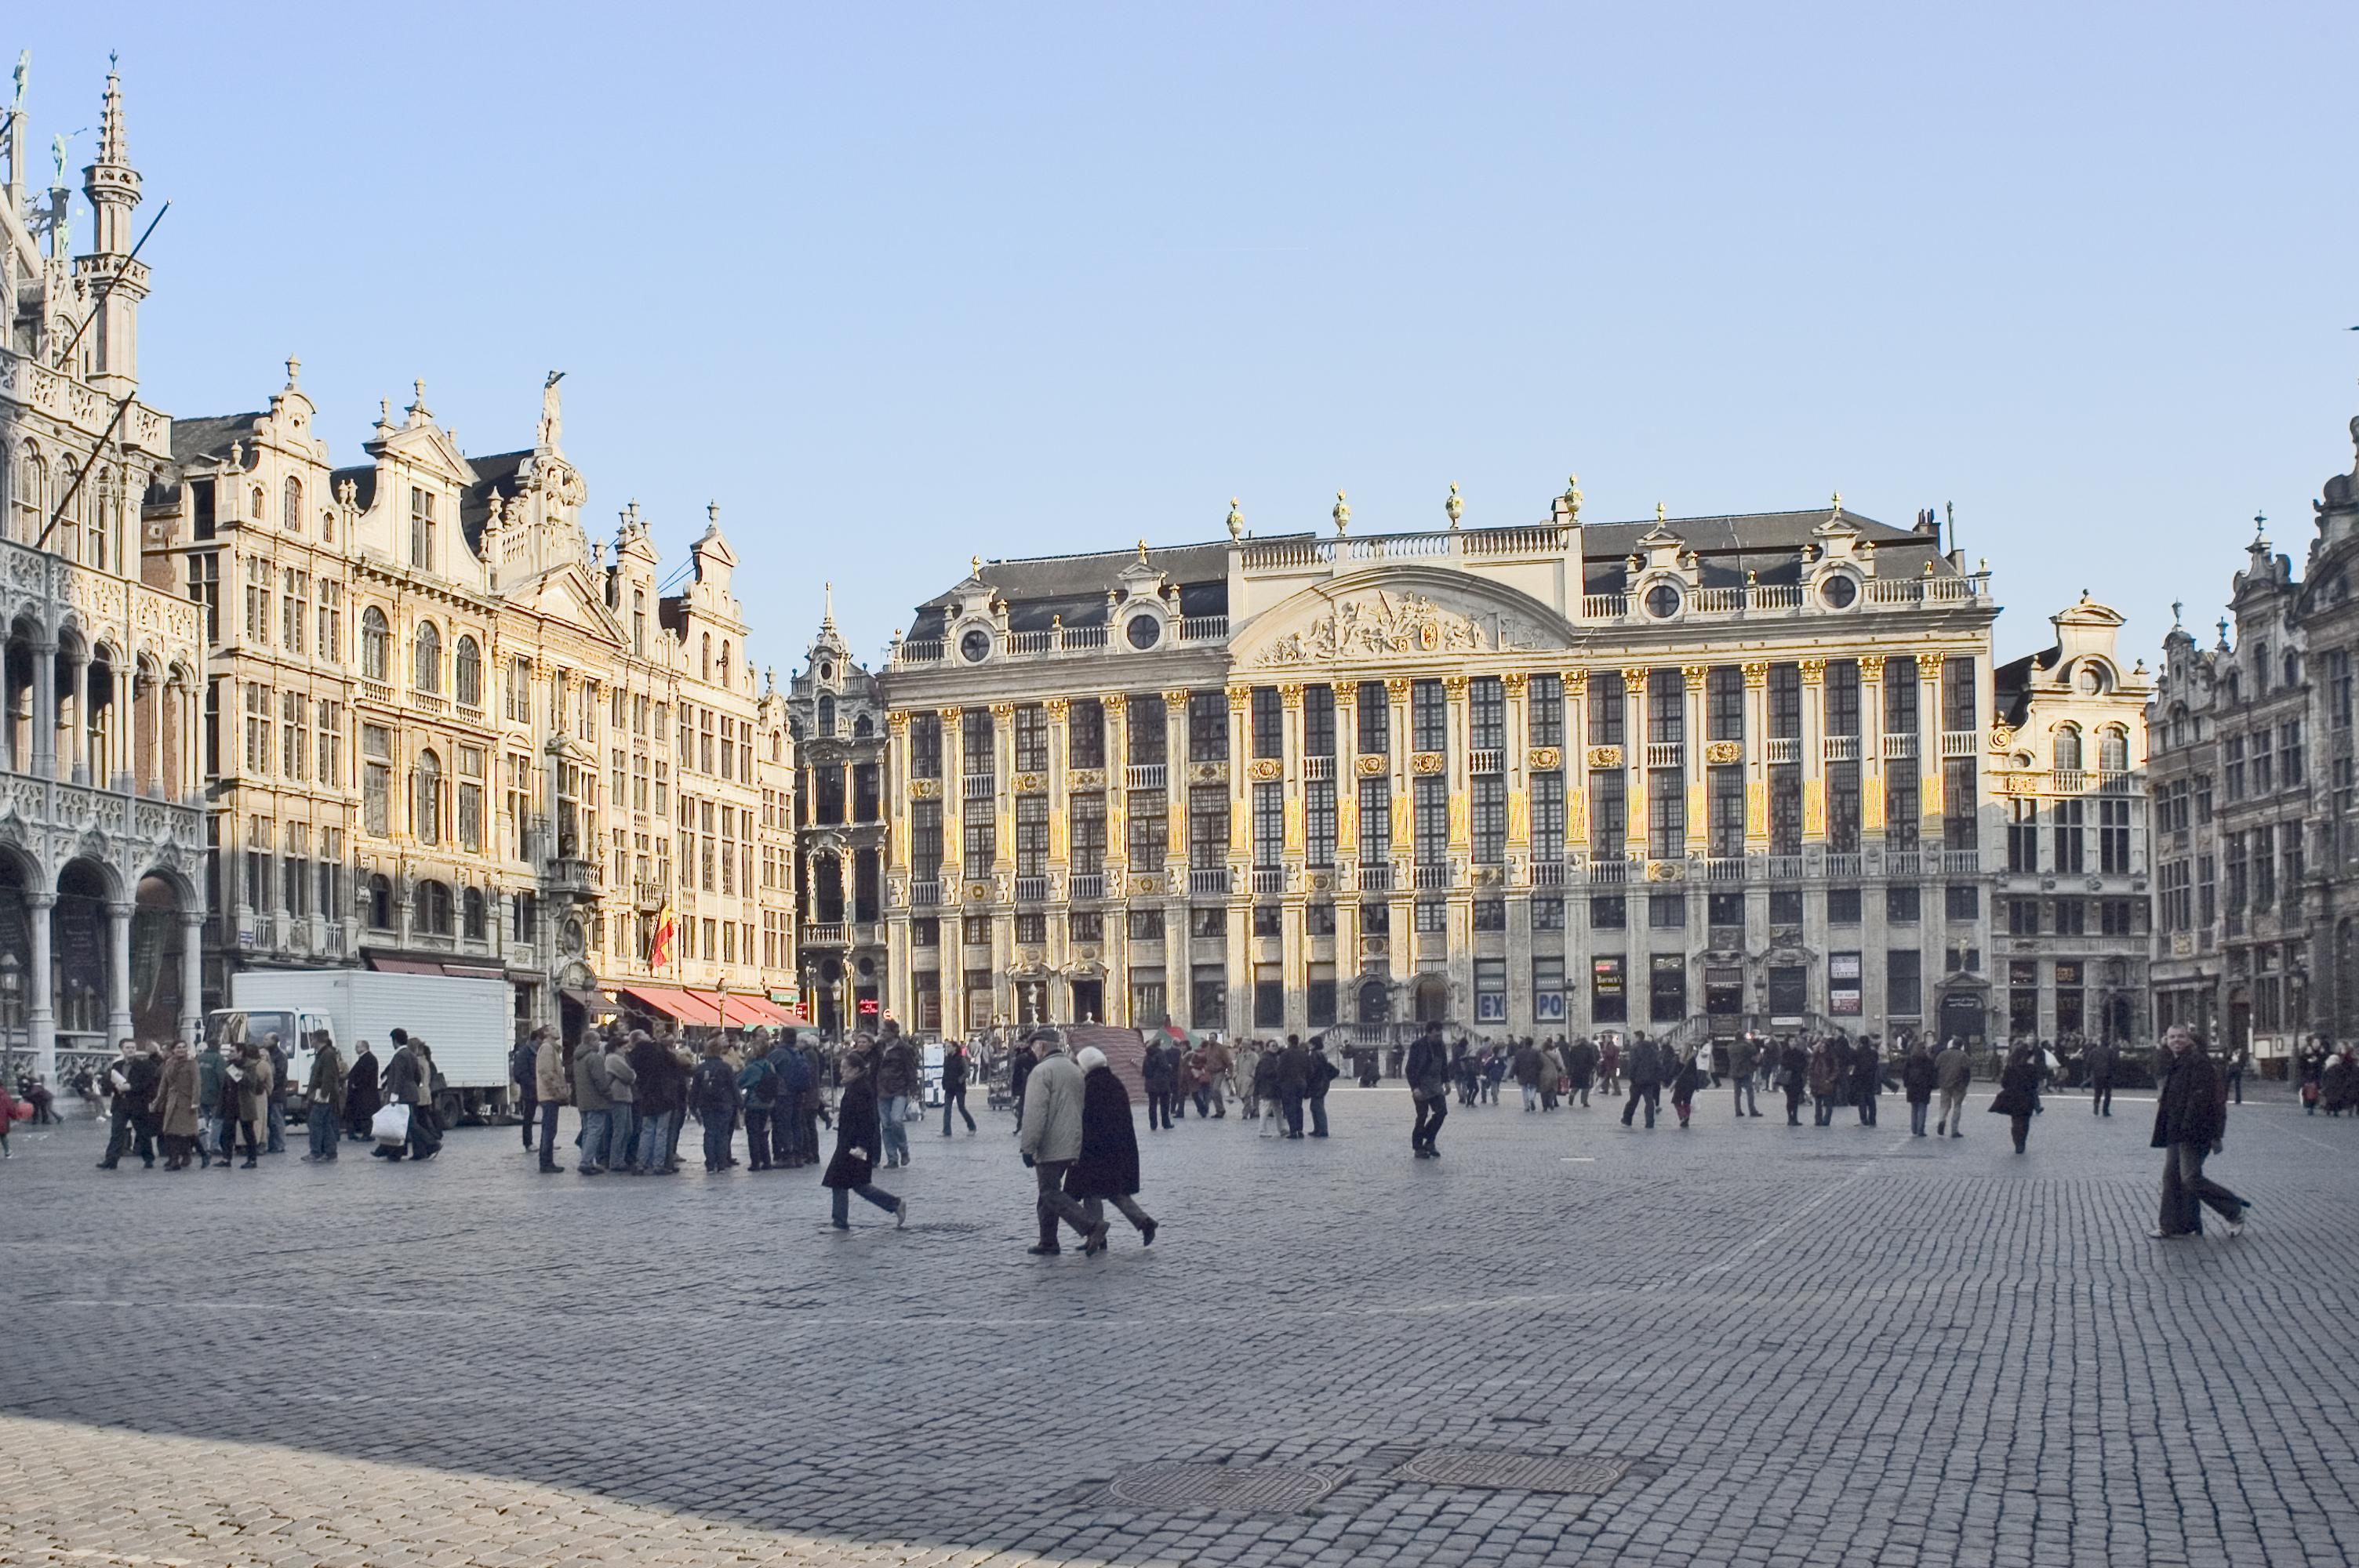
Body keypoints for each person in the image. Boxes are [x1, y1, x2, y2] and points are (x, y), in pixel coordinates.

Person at [2150, 1026, 2248, 1239]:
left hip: (2193, 1130)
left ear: (2189, 1040)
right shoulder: (2176, 1061)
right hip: (2176, 1130)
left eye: (2181, 1037)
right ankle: (2177, 1225)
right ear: (2167, 1040)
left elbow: (2200, 1100)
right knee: (2171, 1178)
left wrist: (2196, 1129)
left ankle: (2234, 1210)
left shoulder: (2197, 1062)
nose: (2177, 1041)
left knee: (2190, 1178)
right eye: (2172, 1037)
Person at [1017, 1029, 1106, 1255]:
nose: (1032, 1051)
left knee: (1050, 1192)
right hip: (1073, 1140)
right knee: (1047, 1194)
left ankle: (1091, 1225)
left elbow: (1035, 1113)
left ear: (1042, 1046)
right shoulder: (1074, 1069)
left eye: (1034, 1046)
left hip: (1051, 1144)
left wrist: (1028, 1147)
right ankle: (1048, 1241)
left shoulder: (1041, 1072)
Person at [1067, 1045, 1157, 1245]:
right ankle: (1143, 1221)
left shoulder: (1092, 1085)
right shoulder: (1114, 1082)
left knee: (1092, 1192)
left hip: (1096, 1149)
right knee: (1114, 1192)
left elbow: (1086, 1119)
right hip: (1118, 1148)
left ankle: (1097, 1235)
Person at [822, 1051, 907, 1230]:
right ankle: (894, 1204)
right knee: (856, 1184)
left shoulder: (860, 1089)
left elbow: (867, 1120)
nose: (841, 1071)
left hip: (854, 1145)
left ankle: (840, 1222)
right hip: (850, 1143)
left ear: (855, 1070)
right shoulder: (855, 1087)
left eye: (845, 1068)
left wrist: (861, 1146)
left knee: (843, 1182)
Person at [97, 1038, 158, 1171]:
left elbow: (148, 1084)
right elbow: (109, 1083)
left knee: (142, 1133)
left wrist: (131, 1087)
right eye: (127, 1048)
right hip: (120, 1104)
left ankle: (148, 1159)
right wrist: (115, 1087)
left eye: (133, 1047)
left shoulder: (144, 1066)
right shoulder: (117, 1066)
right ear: (122, 1050)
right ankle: (111, 1160)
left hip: (137, 1104)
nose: (130, 1050)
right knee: (117, 1133)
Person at [630, 1029, 683, 1175]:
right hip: (663, 1095)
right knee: (661, 1132)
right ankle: (658, 1164)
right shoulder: (657, 1051)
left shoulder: (633, 1055)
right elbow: (675, 1065)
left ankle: (641, 1163)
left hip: (646, 1095)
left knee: (647, 1131)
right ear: (642, 1037)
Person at [150, 1040, 202, 1171]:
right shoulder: (169, 1063)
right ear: (173, 1050)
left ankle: (179, 1159)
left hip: (187, 1101)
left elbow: (197, 1083)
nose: (182, 1050)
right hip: (172, 1101)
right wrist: (157, 1101)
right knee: (171, 1132)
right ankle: (178, 1159)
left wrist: (195, 1101)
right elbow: (164, 1085)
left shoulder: (192, 1063)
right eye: (179, 1047)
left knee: (186, 1133)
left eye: (184, 1047)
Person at [691, 1040, 740, 1172]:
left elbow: (695, 1089)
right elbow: (734, 1087)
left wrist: (692, 1106)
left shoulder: (701, 1068)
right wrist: (740, 1104)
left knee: (710, 1133)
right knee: (723, 1134)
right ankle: (722, 1163)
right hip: (724, 1104)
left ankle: (711, 1164)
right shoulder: (726, 1067)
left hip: (706, 1105)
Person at [572, 1030, 615, 1176]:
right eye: (597, 1040)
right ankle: (586, 1162)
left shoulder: (577, 1058)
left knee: (587, 1131)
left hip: (583, 1100)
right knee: (594, 1132)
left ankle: (588, 1160)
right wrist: (609, 1095)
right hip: (596, 1100)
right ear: (591, 1041)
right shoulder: (594, 1058)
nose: (599, 1043)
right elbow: (600, 1081)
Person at [1989, 1044, 2042, 1154]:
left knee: (2015, 1121)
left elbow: (2004, 1083)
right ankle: (2022, 1142)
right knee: (2025, 1121)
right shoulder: (2031, 1068)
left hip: (2013, 1096)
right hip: (2027, 1097)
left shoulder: (2010, 1068)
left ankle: (2017, 1142)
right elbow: (2035, 1084)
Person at [1406, 1023, 1449, 1159]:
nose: (1439, 1037)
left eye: (1440, 1035)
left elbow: (1444, 1065)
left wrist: (1447, 1082)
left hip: (1436, 1083)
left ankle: (1429, 1139)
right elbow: (1410, 1069)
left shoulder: (1441, 1046)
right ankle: (1418, 1147)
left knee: (1442, 1112)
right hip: (1421, 1083)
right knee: (1422, 1116)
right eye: (1436, 1035)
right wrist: (1415, 1088)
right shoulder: (1418, 1046)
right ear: (1428, 1033)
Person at [304, 1031, 347, 1161]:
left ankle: (316, 1151)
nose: (311, 1042)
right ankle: (330, 1152)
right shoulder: (324, 1054)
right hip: (324, 1094)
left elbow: (328, 1076)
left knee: (315, 1122)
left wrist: (323, 1094)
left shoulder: (327, 1054)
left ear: (317, 1040)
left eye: (312, 1039)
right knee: (326, 1124)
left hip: (323, 1095)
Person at [598, 1032, 638, 1172]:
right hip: (618, 1097)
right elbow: (629, 1075)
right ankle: (616, 1160)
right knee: (620, 1130)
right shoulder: (614, 1059)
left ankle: (618, 1159)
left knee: (627, 1129)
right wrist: (632, 1074)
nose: (625, 1050)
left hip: (624, 1097)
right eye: (623, 1047)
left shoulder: (615, 1058)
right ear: (616, 1047)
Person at [533, 1026, 569, 1174]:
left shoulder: (552, 1049)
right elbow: (546, 1072)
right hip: (549, 1096)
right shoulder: (547, 1048)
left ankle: (548, 1161)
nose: (557, 1030)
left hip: (550, 1095)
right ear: (546, 1033)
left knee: (550, 1129)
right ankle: (546, 1162)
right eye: (553, 1029)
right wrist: (557, 1091)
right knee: (549, 1130)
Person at [230, 1041, 271, 1169]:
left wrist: (234, 1071)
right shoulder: (233, 1065)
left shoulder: (250, 1066)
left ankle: (251, 1157)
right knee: (233, 1129)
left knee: (248, 1129)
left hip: (248, 1099)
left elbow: (248, 1081)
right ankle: (230, 1156)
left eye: (232, 1051)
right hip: (238, 1100)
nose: (229, 1054)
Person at [1622, 1035, 1662, 1131]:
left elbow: (1632, 1066)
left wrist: (1632, 1078)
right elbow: (1658, 1066)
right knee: (1649, 1102)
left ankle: (1627, 1119)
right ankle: (1650, 1122)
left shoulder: (1636, 1052)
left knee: (1633, 1101)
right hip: (1649, 1081)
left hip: (1637, 1081)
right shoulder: (1653, 1053)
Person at [1934, 1037, 1972, 1138]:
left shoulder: (1942, 1054)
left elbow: (1936, 1067)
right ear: (1961, 1045)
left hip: (1944, 1083)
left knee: (1944, 1105)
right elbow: (1966, 1071)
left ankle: (1941, 1120)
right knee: (1957, 1106)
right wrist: (1965, 1084)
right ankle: (1954, 1130)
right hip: (1958, 1085)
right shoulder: (1964, 1056)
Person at [344, 1039, 381, 1142]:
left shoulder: (369, 1059)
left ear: (364, 1047)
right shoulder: (364, 1059)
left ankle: (368, 1134)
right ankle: (365, 1133)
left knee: (366, 1113)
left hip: (366, 1092)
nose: (356, 1049)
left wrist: (356, 1084)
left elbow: (366, 1075)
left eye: (358, 1047)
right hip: (362, 1092)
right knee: (362, 1113)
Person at [510, 1033, 540, 1152]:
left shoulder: (535, 1052)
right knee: (528, 1116)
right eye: (539, 1041)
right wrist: (533, 1084)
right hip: (529, 1090)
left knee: (534, 1116)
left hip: (536, 1088)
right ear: (533, 1040)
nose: (540, 1043)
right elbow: (520, 1074)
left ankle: (544, 1142)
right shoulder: (524, 1053)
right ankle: (528, 1142)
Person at [1277, 1036, 1310, 1138]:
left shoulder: (1285, 1054)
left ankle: (1293, 1131)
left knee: (1290, 1108)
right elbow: (1310, 1069)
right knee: (1299, 1106)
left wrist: (1280, 1082)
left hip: (1288, 1083)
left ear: (1290, 1042)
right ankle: (1300, 1130)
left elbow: (1280, 1070)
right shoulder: (1304, 1054)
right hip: (1301, 1083)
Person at [1141, 1035, 1177, 1131]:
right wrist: (1169, 1067)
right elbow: (1164, 1066)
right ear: (1159, 1044)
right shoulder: (1160, 1053)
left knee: (1152, 1105)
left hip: (1150, 1084)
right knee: (1164, 1104)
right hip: (1162, 1083)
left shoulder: (1147, 1055)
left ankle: (1153, 1124)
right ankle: (1166, 1123)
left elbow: (1144, 1070)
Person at [941, 1038, 977, 1134]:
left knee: (961, 1108)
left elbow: (967, 1072)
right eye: (946, 1047)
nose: (947, 1048)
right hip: (949, 1087)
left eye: (949, 1047)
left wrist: (960, 1080)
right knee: (947, 1109)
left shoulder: (961, 1059)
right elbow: (945, 1072)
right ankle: (947, 1130)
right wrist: (943, 1082)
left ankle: (972, 1126)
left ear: (955, 1048)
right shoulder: (947, 1059)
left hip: (959, 1087)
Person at [1902, 1040, 1937, 1137]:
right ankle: (1920, 1129)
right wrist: (1932, 1085)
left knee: (1914, 1108)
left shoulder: (1910, 1060)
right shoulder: (1928, 1061)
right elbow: (1932, 1075)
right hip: (1924, 1087)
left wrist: (1907, 1083)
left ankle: (1914, 1128)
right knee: (1922, 1108)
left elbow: (1905, 1074)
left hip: (1912, 1086)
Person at [1669, 1043, 1706, 1129]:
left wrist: (1673, 1082)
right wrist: (1697, 1085)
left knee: (1676, 1101)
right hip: (1691, 1084)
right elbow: (1695, 1073)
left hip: (1681, 1083)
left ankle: (1683, 1116)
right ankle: (1686, 1121)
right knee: (1687, 1102)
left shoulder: (1679, 1059)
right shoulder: (1692, 1059)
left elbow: (1677, 1072)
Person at [1307, 1037, 1338, 1137]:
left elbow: (1314, 1070)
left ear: (1313, 1044)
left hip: (1318, 1084)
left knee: (1317, 1107)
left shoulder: (1315, 1054)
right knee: (1315, 1106)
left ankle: (1322, 1129)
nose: (1308, 1045)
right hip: (1322, 1083)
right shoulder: (1321, 1054)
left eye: (1310, 1043)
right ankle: (1318, 1128)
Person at [1009, 1034, 1038, 1132]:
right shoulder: (1023, 1055)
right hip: (1026, 1085)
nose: (1020, 1044)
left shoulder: (1024, 1056)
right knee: (1022, 1106)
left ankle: (1021, 1125)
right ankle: (1021, 1125)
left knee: (1023, 1106)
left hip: (1026, 1085)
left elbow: (1017, 1074)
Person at [1252, 1044, 1283, 1137]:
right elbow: (1265, 1073)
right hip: (1268, 1086)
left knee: (1277, 1108)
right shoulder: (1266, 1059)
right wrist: (1278, 1071)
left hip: (1274, 1087)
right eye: (1273, 1046)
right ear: (1267, 1047)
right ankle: (1262, 1130)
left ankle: (1281, 1128)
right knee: (1266, 1108)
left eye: (1276, 1046)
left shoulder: (1274, 1057)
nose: (1275, 1047)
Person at [1851, 1039, 1882, 1127]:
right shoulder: (1873, 1053)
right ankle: (1872, 1120)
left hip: (1860, 1078)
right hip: (1870, 1078)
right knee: (1871, 1100)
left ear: (1860, 1043)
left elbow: (1853, 1062)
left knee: (1862, 1101)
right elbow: (1876, 1064)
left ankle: (1863, 1120)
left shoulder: (1858, 1052)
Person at [1779, 1037, 1809, 1125]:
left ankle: (1795, 1118)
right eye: (1791, 1041)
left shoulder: (1800, 1053)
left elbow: (1804, 1064)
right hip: (1788, 1079)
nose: (1793, 1043)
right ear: (1788, 1042)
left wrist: (1796, 1068)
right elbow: (1784, 1064)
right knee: (1789, 1099)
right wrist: (1795, 1066)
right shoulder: (1785, 1053)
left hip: (1796, 1078)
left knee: (1795, 1099)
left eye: (1794, 1041)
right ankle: (1790, 1117)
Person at [1731, 1036, 1761, 1118]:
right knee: (1750, 1091)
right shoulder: (1745, 1046)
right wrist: (1750, 1043)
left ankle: (1738, 1111)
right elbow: (1754, 1051)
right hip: (1745, 1071)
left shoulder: (1730, 1047)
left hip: (1734, 1071)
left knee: (1737, 1093)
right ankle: (1752, 1110)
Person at [2085, 1039, 2116, 1118]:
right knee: (2108, 1093)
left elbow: (2088, 1062)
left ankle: (2096, 1105)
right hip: (2108, 1074)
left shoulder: (2094, 1051)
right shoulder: (2110, 1051)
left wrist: (2088, 1072)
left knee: (2098, 1092)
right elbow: (2114, 1063)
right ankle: (2105, 1110)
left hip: (2097, 1074)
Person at [1566, 1036, 1598, 1108]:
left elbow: (1570, 1060)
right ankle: (1584, 1101)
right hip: (1585, 1070)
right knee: (1585, 1087)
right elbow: (1592, 1060)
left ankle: (1572, 1094)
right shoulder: (1589, 1049)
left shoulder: (1574, 1049)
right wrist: (1592, 1068)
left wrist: (1570, 1070)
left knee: (1576, 1085)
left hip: (1576, 1070)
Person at [1514, 1038, 1543, 1112]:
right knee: (1533, 1088)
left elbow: (1516, 1064)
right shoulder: (1536, 1052)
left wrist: (1516, 1073)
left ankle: (1526, 1106)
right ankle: (1532, 1099)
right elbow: (1540, 1064)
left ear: (1525, 1043)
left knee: (1524, 1089)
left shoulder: (1519, 1052)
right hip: (1533, 1073)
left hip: (1522, 1073)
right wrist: (1539, 1070)